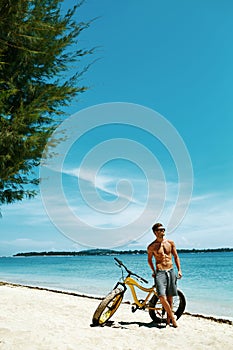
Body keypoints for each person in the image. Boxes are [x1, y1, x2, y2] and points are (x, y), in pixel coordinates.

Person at [147, 222, 182, 327]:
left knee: (170, 297)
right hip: (160, 272)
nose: (163, 231)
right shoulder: (151, 247)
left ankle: (168, 321)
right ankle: (173, 318)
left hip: (171, 270)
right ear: (155, 232)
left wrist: (179, 270)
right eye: (160, 230)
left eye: (163, 229)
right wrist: (153, 271)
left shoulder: (170, 243)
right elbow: (149, 260)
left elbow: (176, 257)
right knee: (162, 297)